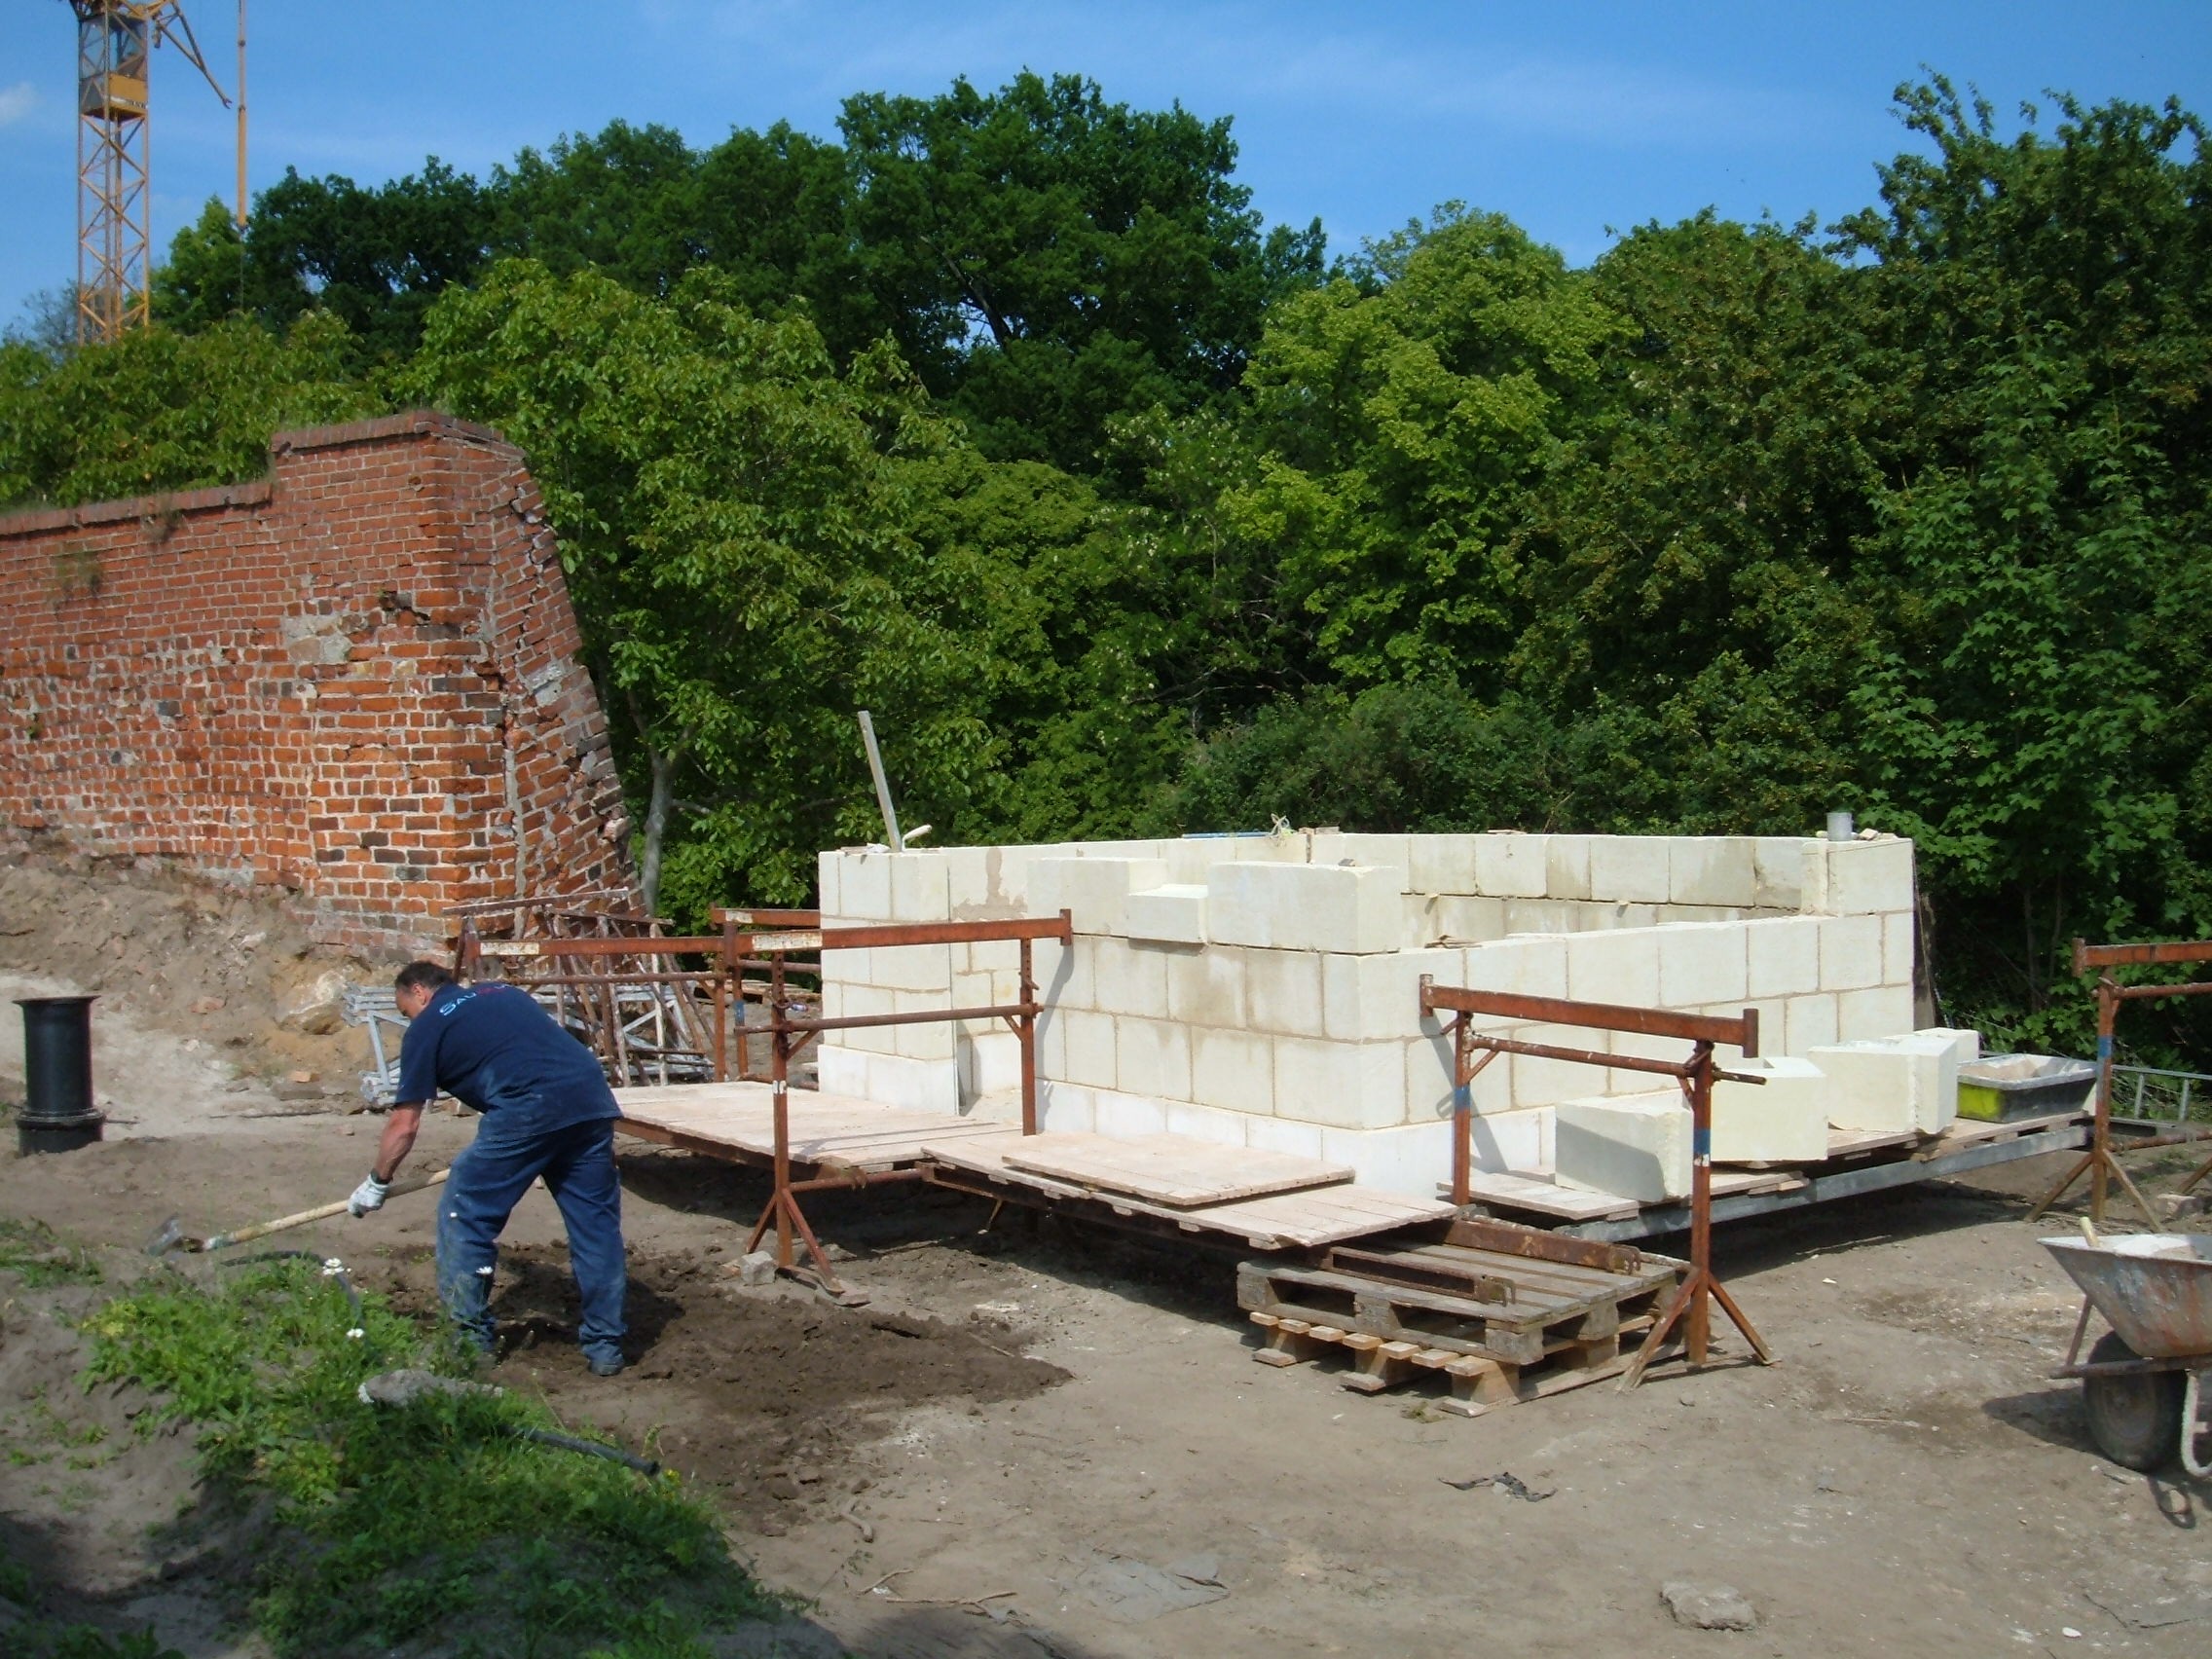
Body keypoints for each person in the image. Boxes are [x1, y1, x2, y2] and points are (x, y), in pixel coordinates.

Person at [348, 960, 629, 1376]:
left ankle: (469, 1344)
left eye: (405, 1009)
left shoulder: (428, 1026)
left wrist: (377, 1180)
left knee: (466, 1213)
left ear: (419, 992)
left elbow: (404, 1124)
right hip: (590, 1098)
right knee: (595, 1226)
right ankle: (606, 1348)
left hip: (528, 1107)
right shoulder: (502, 993)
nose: (409, 1018)